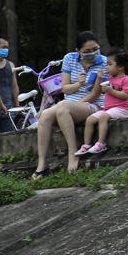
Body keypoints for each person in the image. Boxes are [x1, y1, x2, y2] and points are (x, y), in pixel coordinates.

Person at [31, 31, 107, 176]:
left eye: (95, 49)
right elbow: (65, 87)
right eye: (87, 51)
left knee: (62, 107)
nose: (93, 53)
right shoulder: (70, 59)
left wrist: (76, 104)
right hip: (69, 104)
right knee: (46, 115)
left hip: (93, 104)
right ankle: (42, 163)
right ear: (78, 51)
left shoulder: (104, 62)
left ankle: (73, 153)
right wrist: (79, 84)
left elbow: (96, 94)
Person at [78, 51, 128, 157]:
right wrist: (99, 79)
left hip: (121, 109)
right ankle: (87, 145)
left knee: (103, 117)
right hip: (108, 109)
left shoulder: (127, 80)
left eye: (110, 64)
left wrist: (111, 91)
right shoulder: (109, 80)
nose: (107, 67)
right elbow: (98, 91)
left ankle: (101, 143)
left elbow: (127, 96)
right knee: (90, 119)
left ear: (120, 67)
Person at [0, 37, 21, 131]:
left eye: (7, 47)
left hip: (9, 107)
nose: (6, 50)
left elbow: (14, 86)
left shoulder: (11, 65)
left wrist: (17, 105)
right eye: (3, 47)